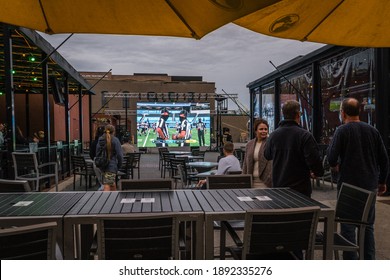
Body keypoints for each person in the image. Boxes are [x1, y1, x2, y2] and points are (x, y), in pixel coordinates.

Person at [327, 97, 389, 260]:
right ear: (359, 111)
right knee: (367, 226)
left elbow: (331, 157)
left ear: (343, 113)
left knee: (347, 226)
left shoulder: (342, 131)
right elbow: (384, 159)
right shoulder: (372, 131)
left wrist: (335, 165)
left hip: (348, 187)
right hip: (369, 185)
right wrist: (382, 181)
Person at [264, 100, 323, 197]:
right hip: (300, 189)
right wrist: (317, 172)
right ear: (298, 114)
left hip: (279, 188)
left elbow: (267, 155)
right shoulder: (305, 136)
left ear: (283, 114)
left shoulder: (273, 135)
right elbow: (314, 160)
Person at [242, 118, 272, 188]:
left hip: (266, 183)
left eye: (265, 129)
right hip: (251, 182)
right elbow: (245, 164)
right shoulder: (250, 144)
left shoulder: (270, 143)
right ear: (255, 131)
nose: (264, 131)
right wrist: (243, 179)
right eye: (261, 129)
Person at [96, 124, 123, 191]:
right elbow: (120, 155)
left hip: (102, 165)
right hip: (111, 166)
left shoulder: (100, 140)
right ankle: (106, 200)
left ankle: (114, 198)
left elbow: (97, 152)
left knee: (111, 182)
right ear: (113, 132)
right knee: (107, 184)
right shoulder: (115, 140)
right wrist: (118, 166)